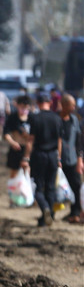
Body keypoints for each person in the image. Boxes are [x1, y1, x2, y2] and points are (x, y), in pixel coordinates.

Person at [23, 93, 64, 227]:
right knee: (51, 187)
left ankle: (45, 208)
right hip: (53, 155)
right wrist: (59, 158)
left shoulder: (35, 118)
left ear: (38, 103)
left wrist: (26, 157)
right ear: (50, 103)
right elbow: (59, 141)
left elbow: (31, 140)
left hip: (39, 155)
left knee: (39, 187)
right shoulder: (57, 118)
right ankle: (48, 217)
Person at [58, 93, 84, 223]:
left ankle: (75, 213)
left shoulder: (74, 120)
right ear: (64, 105)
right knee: (55, 186)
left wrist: (80, 159)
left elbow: (79, 141)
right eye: (72, 105)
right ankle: (51, 212)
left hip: (72, 159)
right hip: (57, 160)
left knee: (76, 186)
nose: (74, 107)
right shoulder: (56, 120)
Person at [4, 94, 33, 180]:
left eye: (26, 107)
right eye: (22, 107)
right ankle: (13, 192)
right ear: (17, 106)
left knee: (28, 172)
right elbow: (6, 133)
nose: (24, 109)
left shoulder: (32, 118)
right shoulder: (13, 118)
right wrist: (12, 142)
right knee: (14, 173)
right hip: (16, 149)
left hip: (28, 149)